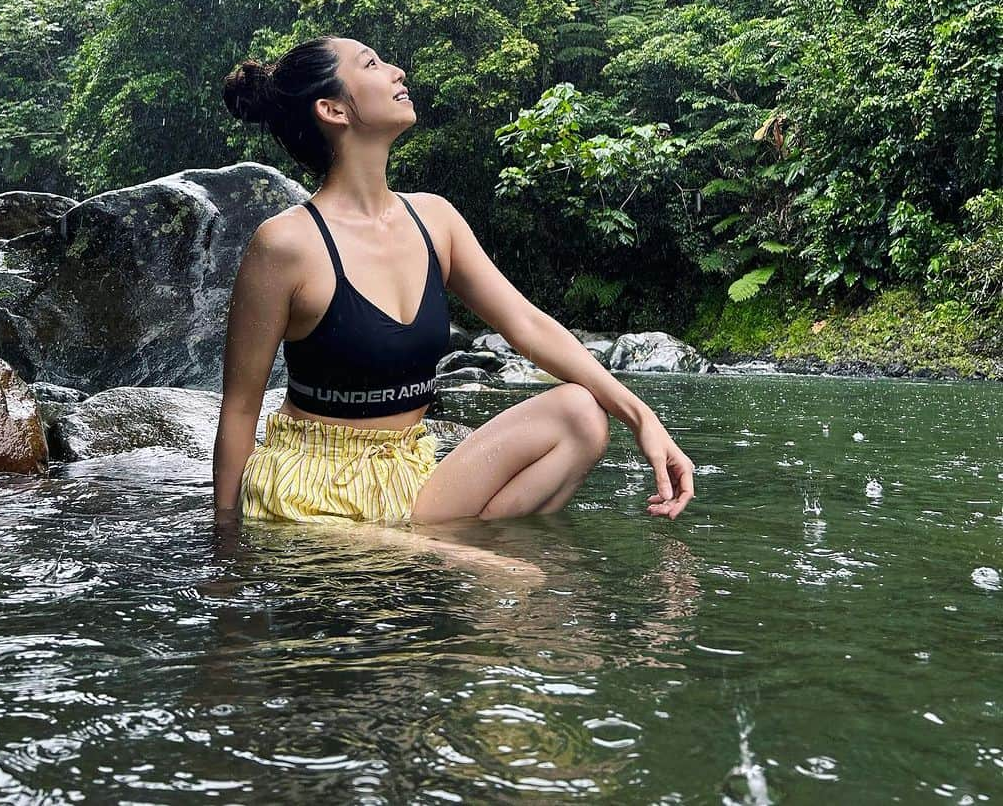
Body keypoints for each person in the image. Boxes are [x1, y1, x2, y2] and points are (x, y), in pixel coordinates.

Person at [213, 34, 695, 528]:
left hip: (407, 472)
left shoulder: (435, 220)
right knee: (505, 576)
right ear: (333, 110)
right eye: (372, 64)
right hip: (311, 493)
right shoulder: (285, 245)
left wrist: (642, 419)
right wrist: (226, 561)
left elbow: (525, 322)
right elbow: (240, 412)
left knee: (581, 416)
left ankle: (458, 559)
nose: (398, 71)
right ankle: (467, 563)